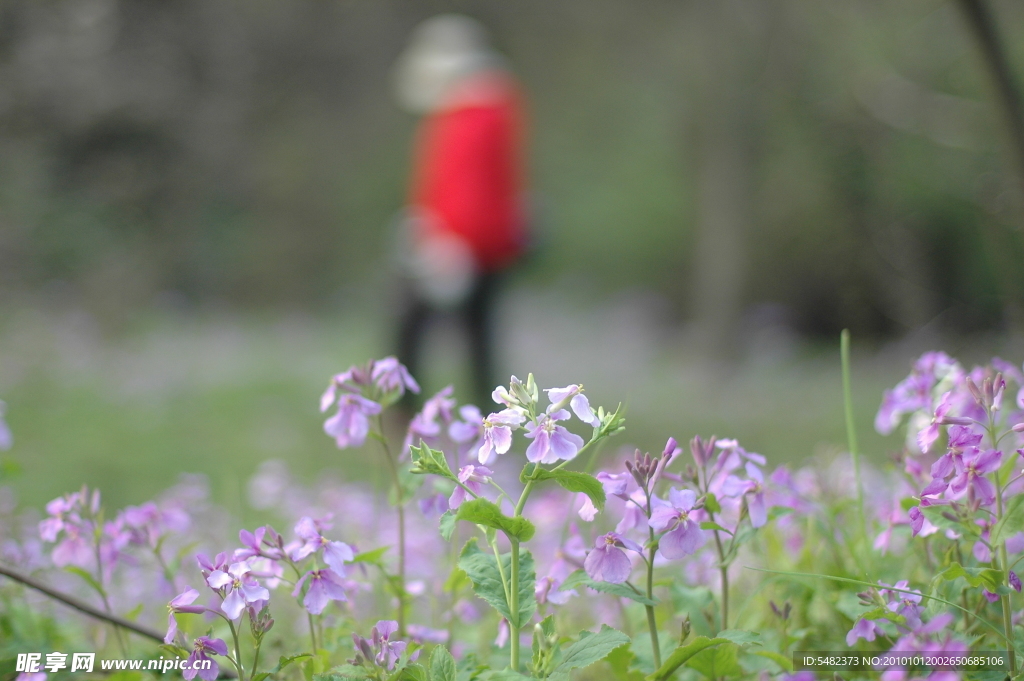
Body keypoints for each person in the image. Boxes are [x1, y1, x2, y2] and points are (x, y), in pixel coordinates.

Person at [391, 14, 529, 407]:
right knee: (478, 336)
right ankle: (491, 419)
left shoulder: (470, 116)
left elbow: (466, 187)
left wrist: (445, 238)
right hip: (486, 240)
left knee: (412, 328)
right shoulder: (494, 109)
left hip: (459, 244)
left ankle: (404, 413)